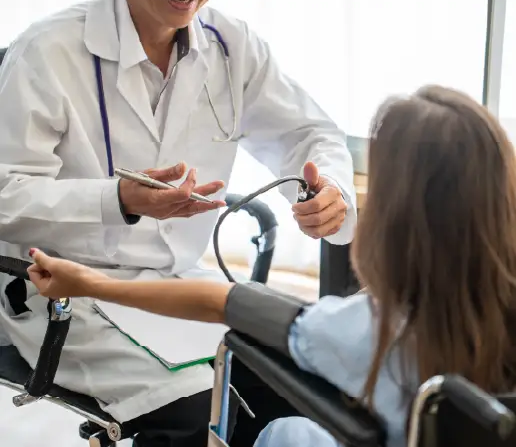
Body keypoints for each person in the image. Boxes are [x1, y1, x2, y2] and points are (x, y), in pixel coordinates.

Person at [26, 85, 516, 447]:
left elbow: (222, 302)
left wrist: (85, 281)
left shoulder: (370, 328)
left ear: (396, 220)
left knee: (287, 431)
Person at [0, 0, 356, 445]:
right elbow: (5, 196)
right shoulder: (47, 50)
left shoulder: (232, 45)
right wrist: (117, 200)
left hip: (176, 281)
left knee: (291, 385)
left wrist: (327, 190)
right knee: (193, 413)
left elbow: (309, 133)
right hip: (65, 292)